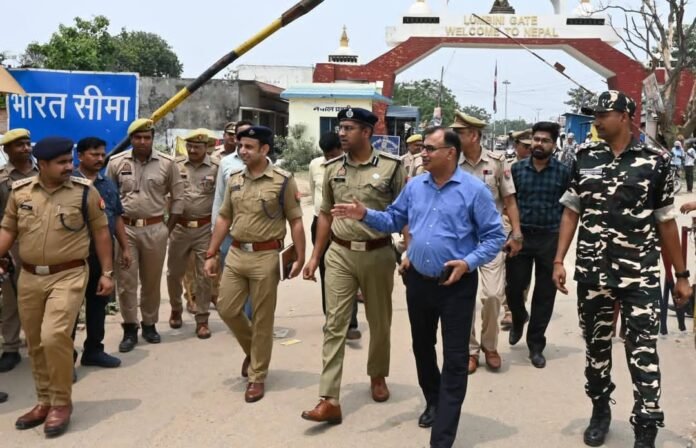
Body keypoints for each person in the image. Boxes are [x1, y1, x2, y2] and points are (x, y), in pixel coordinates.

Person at [331, 126, 505, 448]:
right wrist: (364, 214)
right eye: (423, 148)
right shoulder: (415, 187)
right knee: (422, 348)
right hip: (419, 283)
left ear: (450, 153)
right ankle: (433, 400)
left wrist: (468, 262)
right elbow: (393, 220)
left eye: (429, 148)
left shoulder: (474, 190)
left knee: (455, 359)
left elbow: (495, 236)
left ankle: (442, 437)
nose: (422, 153)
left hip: (456, 285)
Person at [553, 91, 692, 447]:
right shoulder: (584, 157)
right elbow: (571, 211)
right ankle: (600, 410)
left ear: (625, 117)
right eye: (595, 115)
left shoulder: (656, 162)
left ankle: (646, 424)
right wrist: (558, 260)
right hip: (593, 271)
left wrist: (681, 276)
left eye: (604, 114)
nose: (597, 121)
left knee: (642, 349)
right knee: (596, 346)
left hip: (639, 274)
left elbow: (665, 222)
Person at [0, 137, 114, 437]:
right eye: (62, 163)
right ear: (43, 164)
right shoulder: (20, 192)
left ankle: (62, 403)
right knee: (35, 342)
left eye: (69, 161)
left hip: (69, 274)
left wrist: (107, 272)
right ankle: (44, 401)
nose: (69, 167)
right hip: (29, 277)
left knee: (54, 336)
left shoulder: (84, 192)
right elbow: (8, 229)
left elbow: (102, 233)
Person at [301, 107, 406, 424]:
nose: (342, 133)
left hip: (378, 253)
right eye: (341, 127)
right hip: (340, 253)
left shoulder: (391, 167)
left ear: (366, 132)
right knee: (335, 323)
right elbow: (325, 215)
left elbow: (404, 214)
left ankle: (378, 375)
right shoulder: (331, 168)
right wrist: (315, 256)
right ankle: (329, 398)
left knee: (379, 321)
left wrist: (409, 251)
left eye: (349, 128)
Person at [204, 125, 305, 403]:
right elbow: (224, 217)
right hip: (237, 253)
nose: (243, 151)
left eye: (249, 146)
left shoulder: (283, 180)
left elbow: (295, 219)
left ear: (265, 149)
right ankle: (254, 350)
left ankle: (257, 375)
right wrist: (211, 253)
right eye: (241, 146)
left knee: (262, 318)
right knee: (226, 308)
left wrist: (300, 256)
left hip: (266, 256)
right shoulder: (235, 179)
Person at [451, 111, 522, 374]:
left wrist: (516, 233)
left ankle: (489, 346)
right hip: (460, 241)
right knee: (465, 299)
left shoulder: (497, 162)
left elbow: (509, 200)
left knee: (492, 295)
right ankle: (470, 350)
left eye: (459, 133)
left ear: (473, 135)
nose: (454, 136)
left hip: (491, 240)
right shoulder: (451, 162)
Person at [106, 118, 184, 352]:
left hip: (155, 229)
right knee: (126, 282)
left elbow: (178, 198)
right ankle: (130, 328)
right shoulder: (116, 162)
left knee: (151, 281)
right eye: (138, 137)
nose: (142, 141)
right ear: (131, 139)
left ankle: (149, 324)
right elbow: (109, 199)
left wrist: (167, 229)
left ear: (152, 138)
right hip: (125, 230)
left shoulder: (167, 164)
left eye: (147, 137)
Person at [506, 121, 571, 368]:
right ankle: (518, 317)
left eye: (545, 141)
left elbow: (569, 210)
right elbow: (509, 202)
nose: (539, 144)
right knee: (514, 287)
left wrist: (561, 251)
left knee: (544, 295)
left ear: (554, 145)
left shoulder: (564, 172)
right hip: (521, 237)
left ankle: (535, 345)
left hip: (549, 238)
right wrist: (514, 233)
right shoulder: (517, 170)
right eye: (536, 139)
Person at [72, 137, 132, 368]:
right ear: (80, 156)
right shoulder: (69, 183)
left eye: (101, 154)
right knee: (70, 308)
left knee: (98, 304)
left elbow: (116, 216)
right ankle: (65, 357)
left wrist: (125, 247)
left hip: (101, 255)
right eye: (94, 154)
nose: (100, 159)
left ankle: (94, 350)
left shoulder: (107, 184)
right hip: (74, 256)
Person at [166, 129, 219, 338]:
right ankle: (176, 308)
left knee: (204, 275)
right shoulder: (175, 165)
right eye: (190, 146)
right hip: (179, 228)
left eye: (197, 147)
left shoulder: (216, 167)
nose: (193, 150)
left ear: (206, 147)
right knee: (173, 273)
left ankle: (202, 319)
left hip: (205, 229)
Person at [308, 131, 360, 340]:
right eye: (326, 155)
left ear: (341, 149)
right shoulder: (315, 165)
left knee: (348, 270)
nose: (330, 159)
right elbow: (314, 192)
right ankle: (331, 319)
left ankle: (350, 323)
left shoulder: (352, 166)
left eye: (333, 154)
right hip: (321, 223)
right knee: (325, 271)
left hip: (345, 224)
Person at [0, 128, 38, 373]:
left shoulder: (44, 172)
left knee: (42, 297)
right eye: (18, 145)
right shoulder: (2, 179)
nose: (25, 148)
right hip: (12, 247)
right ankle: (11, 348)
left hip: (42, 244)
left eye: (27, 143)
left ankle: (41, 346)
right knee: (11, 299)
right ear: (7, 150)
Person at [211, 120, 254, 319]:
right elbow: (219, 199)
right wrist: (215, 232)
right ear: (236, 138)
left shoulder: (265, 162)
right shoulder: (226, 163)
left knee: (254, 279)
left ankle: (250, 319)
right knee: (232, 279)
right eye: (241, 135)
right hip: (229, 233)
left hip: (255, 233)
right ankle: (238, 318)